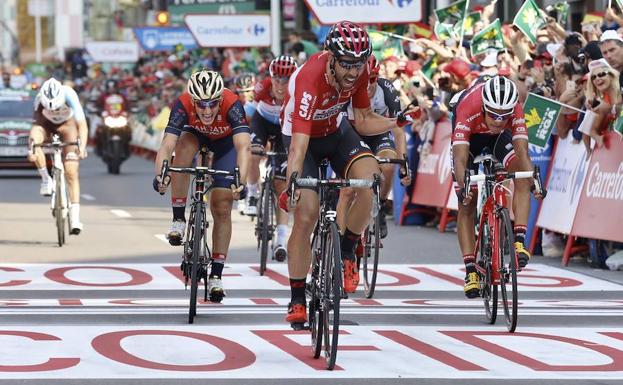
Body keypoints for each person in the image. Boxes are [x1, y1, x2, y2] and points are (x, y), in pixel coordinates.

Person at [278, 21, 420, 324]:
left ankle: (347, 253)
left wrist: (397, 122)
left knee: (372, 180)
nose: (354, 73)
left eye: (359, 64)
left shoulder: (360, 72)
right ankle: (297, 297)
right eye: (346, 65)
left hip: (337, 132)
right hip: (303, 141)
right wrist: (293, 182)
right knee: (306, 215)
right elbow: (298, 147)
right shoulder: (309, 79)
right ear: (330, 57)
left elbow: (364, 120)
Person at [153, 69, 251, 303]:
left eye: (212, 104)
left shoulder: (233, 104)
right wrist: (161, 175)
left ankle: (216, 274)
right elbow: (167, 146)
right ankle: (178, 218)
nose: (207, 111)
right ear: (193, 101)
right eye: (201, 105)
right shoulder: (183, 103)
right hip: (195, 136)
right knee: (182, 152)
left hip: (226, 144)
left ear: (220, 99)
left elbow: (244, 148)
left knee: (222, 206)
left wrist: (242, 181)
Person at [451, 75, 542, 298]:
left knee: (520, 174)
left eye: (504, 115)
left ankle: (519, 242)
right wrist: (464, 185)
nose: (498, 120)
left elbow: (522, 151)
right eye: (493, 113)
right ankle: (471, 270)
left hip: (500, 140)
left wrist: (532, 179)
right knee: (467, 201)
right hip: (471, 140)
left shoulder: (515, 109)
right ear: (484, 105)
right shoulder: (468, 105)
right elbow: (460, 158)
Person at [336, 54, 411, 241]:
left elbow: (398, 130)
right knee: (347, 191)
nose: (369, 85)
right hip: (351, 137)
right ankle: (340, 242)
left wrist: (403, 163)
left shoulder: (386, 89)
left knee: (388, 165)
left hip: (378, 134)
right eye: (365, 79)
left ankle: (382, 206)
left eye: (373, 79)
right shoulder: (347, 90)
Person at [244, 56, 298, 262]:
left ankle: (281, 240)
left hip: (286, 128)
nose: (280, 85)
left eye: (286, 80)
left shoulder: (299, 90)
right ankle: (252, 192)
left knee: (281, 183)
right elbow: (247, 113)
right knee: (254, 151)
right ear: (271, 78)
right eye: (277, 79)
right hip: (263, 123)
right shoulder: (262, 87)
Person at [27, 77, 89, 234]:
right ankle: (46, 179)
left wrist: (81, 146)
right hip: (45, 125)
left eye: (57, 107)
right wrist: (32, 149)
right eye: (51, 109)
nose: (54, 111)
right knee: (35, 139)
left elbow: (82, 125)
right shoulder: (39, 98)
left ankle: (75, 218)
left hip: (68, 127)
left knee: (71, 172)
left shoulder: (69, 94)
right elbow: (35, 126)